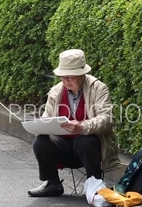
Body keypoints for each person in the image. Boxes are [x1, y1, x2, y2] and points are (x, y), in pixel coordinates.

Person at [27, 49, 121, 197]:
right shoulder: (56, 91)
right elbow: (47, 118)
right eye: (62, 77)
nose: (65, 81)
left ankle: (95, 184)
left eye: (70, 77)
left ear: (82, 73)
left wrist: (83, 127)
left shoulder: (98, 88)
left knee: (85, 140)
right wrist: (40, 126)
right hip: (63, 146)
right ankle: (53, 184)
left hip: (88, 148)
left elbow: (107, 119)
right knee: (40, 142)